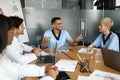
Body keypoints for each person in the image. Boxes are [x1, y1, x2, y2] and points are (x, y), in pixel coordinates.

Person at [0, 14, 58, 80]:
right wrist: (50, 78)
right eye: (11, 31)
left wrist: (43, 69)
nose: (13, 33)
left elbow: (18, 69)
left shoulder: (2, 60)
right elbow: (20, 61)